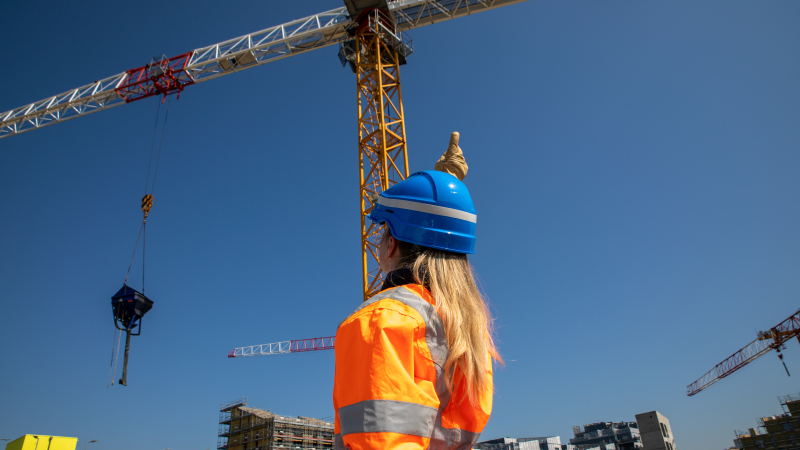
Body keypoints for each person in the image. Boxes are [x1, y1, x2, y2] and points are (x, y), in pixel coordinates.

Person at [332, 165, 502, 449]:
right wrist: (447, 186)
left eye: (383, 232)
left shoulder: (379, 320)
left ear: (391, 245)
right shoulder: (469, 331)